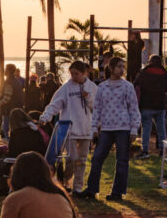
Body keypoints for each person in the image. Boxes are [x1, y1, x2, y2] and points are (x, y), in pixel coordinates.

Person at [79, 57, 141, 201]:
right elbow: (98, 108)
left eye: (123, 67)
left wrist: (133, 129)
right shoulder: (102, 87)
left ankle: (117, 193)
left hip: (123, 128)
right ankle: (92, 189)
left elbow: (133, 108)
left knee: (122, 160)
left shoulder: (127, 86)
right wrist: (94, 127)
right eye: (119, 66)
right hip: (106, 128)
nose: (122, 70)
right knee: (97, 158)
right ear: (111, 68)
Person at [38, 61, 97, 195]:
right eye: (72, 74)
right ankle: (66, 182)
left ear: (84, 73)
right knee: (71, 159)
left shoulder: (92, 87)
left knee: (82, 160)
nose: (74, 76)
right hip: (70, 129)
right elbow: (55, 104)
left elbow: (98, 107)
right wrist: (45, 117)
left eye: (76, 74)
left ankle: (77, 188)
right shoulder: (66, 88)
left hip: (86, 129)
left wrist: (88, 98)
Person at [133, 54, 167, 159]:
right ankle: (163, 150)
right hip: (160, 105)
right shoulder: (164, 74)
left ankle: (145, 151)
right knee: (161, 129)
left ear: (150, 62)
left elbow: (135, 84)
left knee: (146, 129)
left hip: (146, 105)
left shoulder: (144, 73)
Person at [0, 64, 24, 139]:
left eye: (6, 69)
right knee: (14, 129)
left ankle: (10, 145)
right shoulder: (17, 81)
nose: (4, 71)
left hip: (8, 109)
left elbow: (7, 98)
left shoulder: (9, 82)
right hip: (17, 108)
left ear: (8, 71)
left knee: (6, 129)